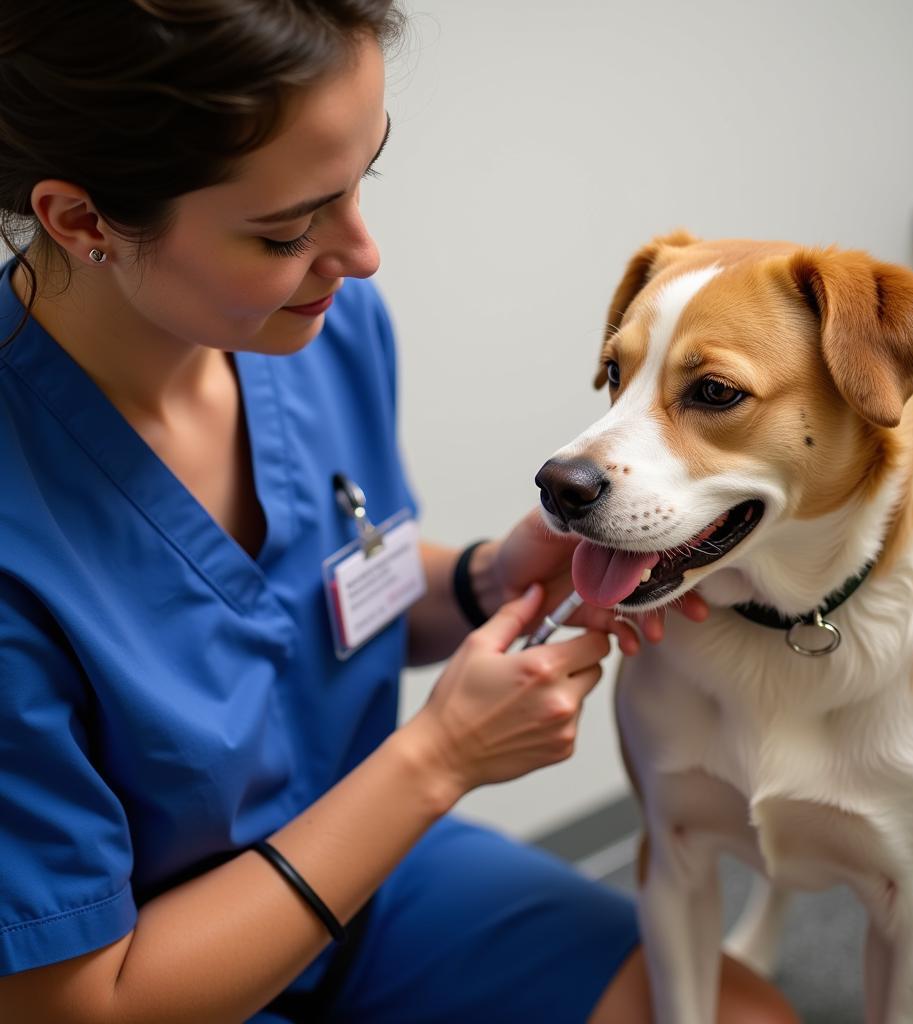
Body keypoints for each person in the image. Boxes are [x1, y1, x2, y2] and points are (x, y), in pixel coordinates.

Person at [0, 3, 799, 1021]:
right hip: (148, 971)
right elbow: (76, 1004)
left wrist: (485, 576)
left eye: (360, 178)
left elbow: (316, 593)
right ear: (80, 220)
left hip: (367, 876)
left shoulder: (315, 328)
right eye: (288, 227)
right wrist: (439, 757)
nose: (361, 253)